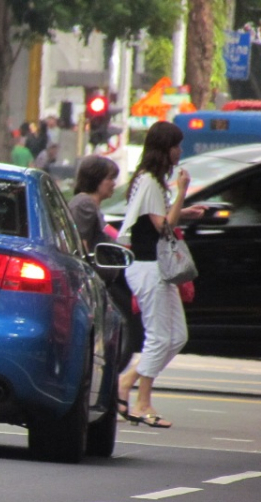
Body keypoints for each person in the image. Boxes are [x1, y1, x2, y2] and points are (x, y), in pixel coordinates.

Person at [116, 121, 207, 428]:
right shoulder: (151, 182)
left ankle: (127, 380)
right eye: (176, 146)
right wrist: (181, 192)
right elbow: (162, 226)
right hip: (148, 267)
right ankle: (142, 402)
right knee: (158, 337)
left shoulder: (148, 180)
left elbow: (156, 217)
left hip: (154, 267)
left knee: (177, 336)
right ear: (164, 149)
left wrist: (185, 210)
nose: (179, 151)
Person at [68, 155, 119, 252]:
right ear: (96, 178)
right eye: (110, 178)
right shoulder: (84, 204)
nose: (114, 184)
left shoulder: (89, 204)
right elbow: (82, 245)